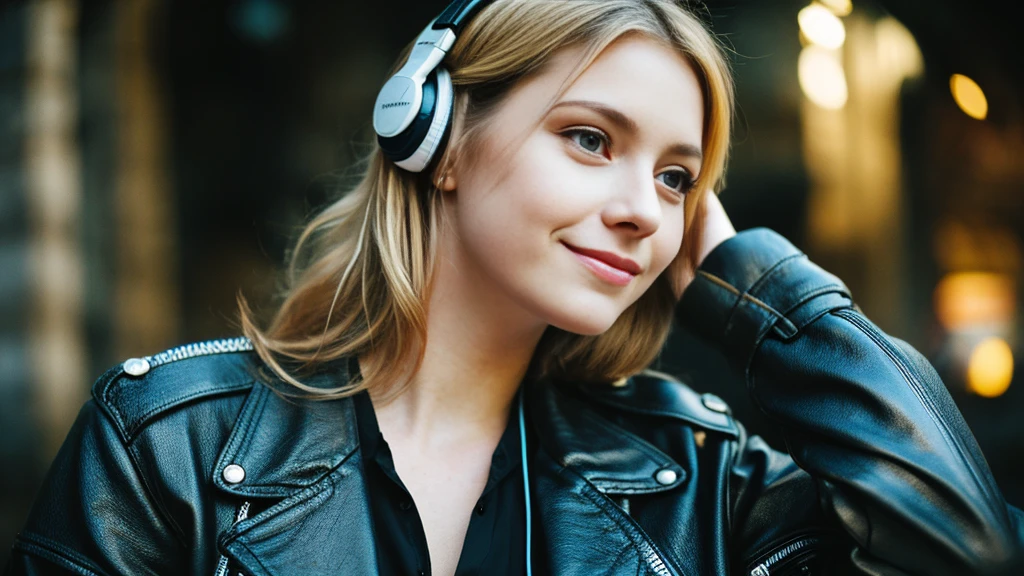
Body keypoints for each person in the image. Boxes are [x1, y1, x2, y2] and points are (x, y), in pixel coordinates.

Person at [6, 0, 1024, 574]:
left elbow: (964, 555)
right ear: (438, 140)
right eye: (590, 139)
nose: (642, 208)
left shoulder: (705, 484)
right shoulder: (168, 444)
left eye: (677, 177)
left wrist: (760, 292)